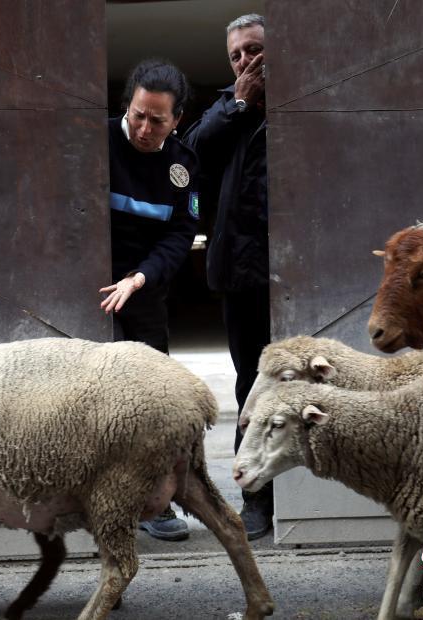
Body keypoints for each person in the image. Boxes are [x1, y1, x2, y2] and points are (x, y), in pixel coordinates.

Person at [99, 59, 200, 541]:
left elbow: (181, 235)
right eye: (138, 115)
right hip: (93, 290)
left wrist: (139, 279)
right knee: (98, 403)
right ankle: (103, 506)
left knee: (152, 402)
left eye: (157, 120)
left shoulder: (181, 165)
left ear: (176, 119)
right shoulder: (95, 142)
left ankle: (154, 503)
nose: (144, 128)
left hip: (142, 288)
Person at [183, 14, 272, 540]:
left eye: (255, 50)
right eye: (237, 54)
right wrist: (238, 103)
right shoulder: (225, 106)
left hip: (294, 273)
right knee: (251, 388)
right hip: (240, 272)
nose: (246, 61)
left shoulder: (300, 99)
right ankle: (255, 499)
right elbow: (189, 155)